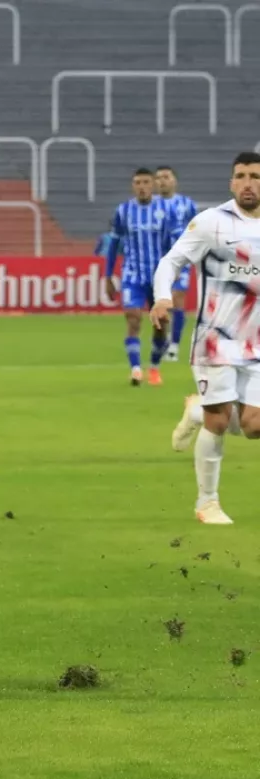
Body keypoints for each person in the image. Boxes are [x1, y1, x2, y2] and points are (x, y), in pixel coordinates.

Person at [151, 152, 260, 525]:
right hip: (215, 341)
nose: (249, 183)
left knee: (254, 426)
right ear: (232, 182)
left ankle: (197, 409)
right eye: (242, 176)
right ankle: (207, 503)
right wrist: (163, 296)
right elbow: (171, 261)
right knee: (219, 422)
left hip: (257, 345)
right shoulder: (212, 222)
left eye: (256, 176)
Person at [104, 168, 172, 387]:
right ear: (133, 186)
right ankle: (135, 369)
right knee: (133, 318)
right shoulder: (123, 212)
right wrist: (108, 275)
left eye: (145, 182)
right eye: (137, 182)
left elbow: (175, 244)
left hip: (159, 276)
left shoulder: (165, 210)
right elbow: (113, 245)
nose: (141, 186)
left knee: (160, 324)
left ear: (152, 185)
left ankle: (153, 367)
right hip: (132, 275)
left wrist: (176, 272)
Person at [154, 167, 198, 361]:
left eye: (166, 177)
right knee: (160, 302)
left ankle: (174, 346)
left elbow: (197, 232)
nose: (162, 181)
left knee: (177, 297)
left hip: (182, 260)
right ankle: (161, 342)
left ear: (174, 180)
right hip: (155, 261)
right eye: (159, 178)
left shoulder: (187, 205)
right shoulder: (151, 206)